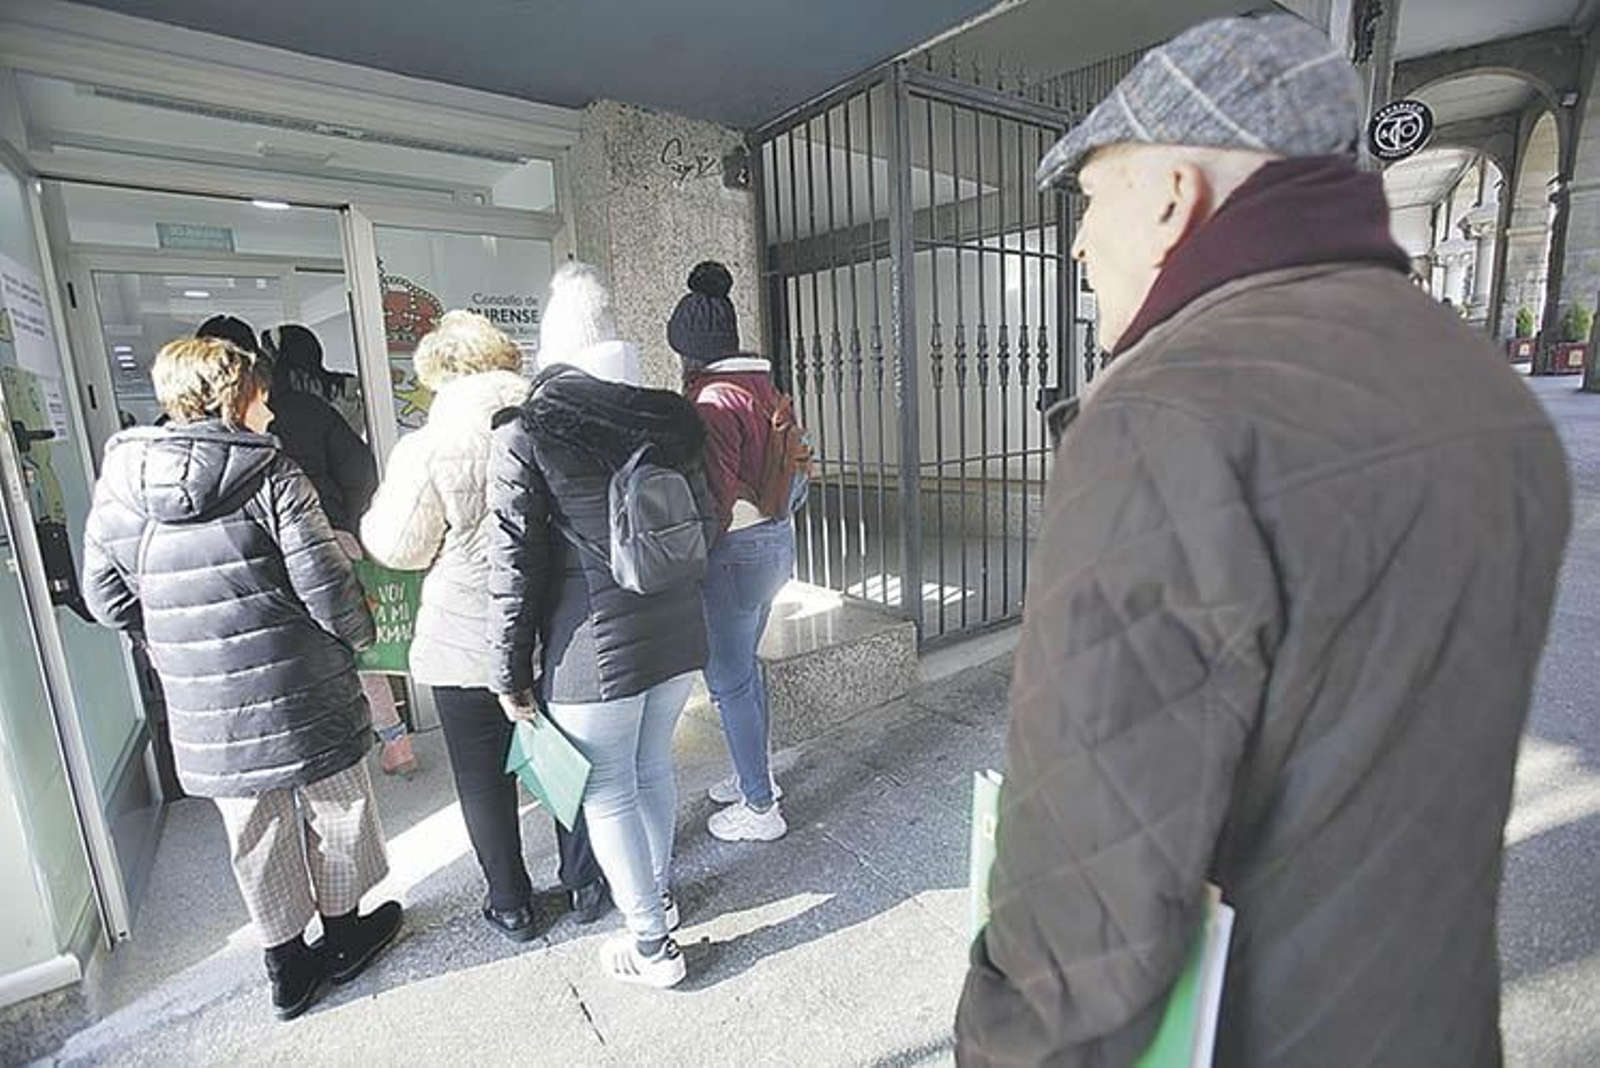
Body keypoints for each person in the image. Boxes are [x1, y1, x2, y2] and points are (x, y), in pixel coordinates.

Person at [955, 15, 1570, 1067]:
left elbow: (1086, 907)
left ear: (1170, 196)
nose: (1076, 241)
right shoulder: (1486, 392)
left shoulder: (1166, 416)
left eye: (1093, 195)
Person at [81, 337, 403, 1022]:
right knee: (337, 803)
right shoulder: (272, 474)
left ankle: (286, 966)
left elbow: (105, 599)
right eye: (260, 393)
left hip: (207, 698)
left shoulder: (120, 482)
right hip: (303, 678)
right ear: (235, 396)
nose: (271, 406)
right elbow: (325, 583)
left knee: (253, 825)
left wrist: (175, 631)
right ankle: (344, 935)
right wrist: (363, 639)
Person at [485, 262, 717, 988]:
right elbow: (707, 522)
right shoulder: (671, 420)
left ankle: (650, 945)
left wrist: (508, 672)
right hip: (680, 632)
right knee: (651, 770)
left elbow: (513, 568)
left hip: (593, 653)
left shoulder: (527, 432)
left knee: (609, 789)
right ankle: (662, 902)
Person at [361, 309, 607, 939]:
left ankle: (511, 903)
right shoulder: (555, 421)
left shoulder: (428, 445)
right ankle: (583, 883)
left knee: (480, 774)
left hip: (465, 637)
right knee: (561, 758)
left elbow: (399, 547)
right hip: (561, 628)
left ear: (439, 372)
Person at [199, 315, 416, 777]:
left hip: (247, 554)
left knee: (280, 652)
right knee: (359, 650)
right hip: (330, 536)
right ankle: (394, 740)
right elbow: (359, 470)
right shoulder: (307, 407)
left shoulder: (188, 432)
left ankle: (299, 752)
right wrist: (350, 527)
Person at [668, 261, 795, 842]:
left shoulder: (711, 402)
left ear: (691, 352)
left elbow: (713, 499)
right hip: (777, 541)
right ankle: (757, 771)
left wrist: (685, 559)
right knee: (746, 668)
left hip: (735, 554)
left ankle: (760, 806)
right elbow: (799, 473)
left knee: (729, 679)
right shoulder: (765, 387)